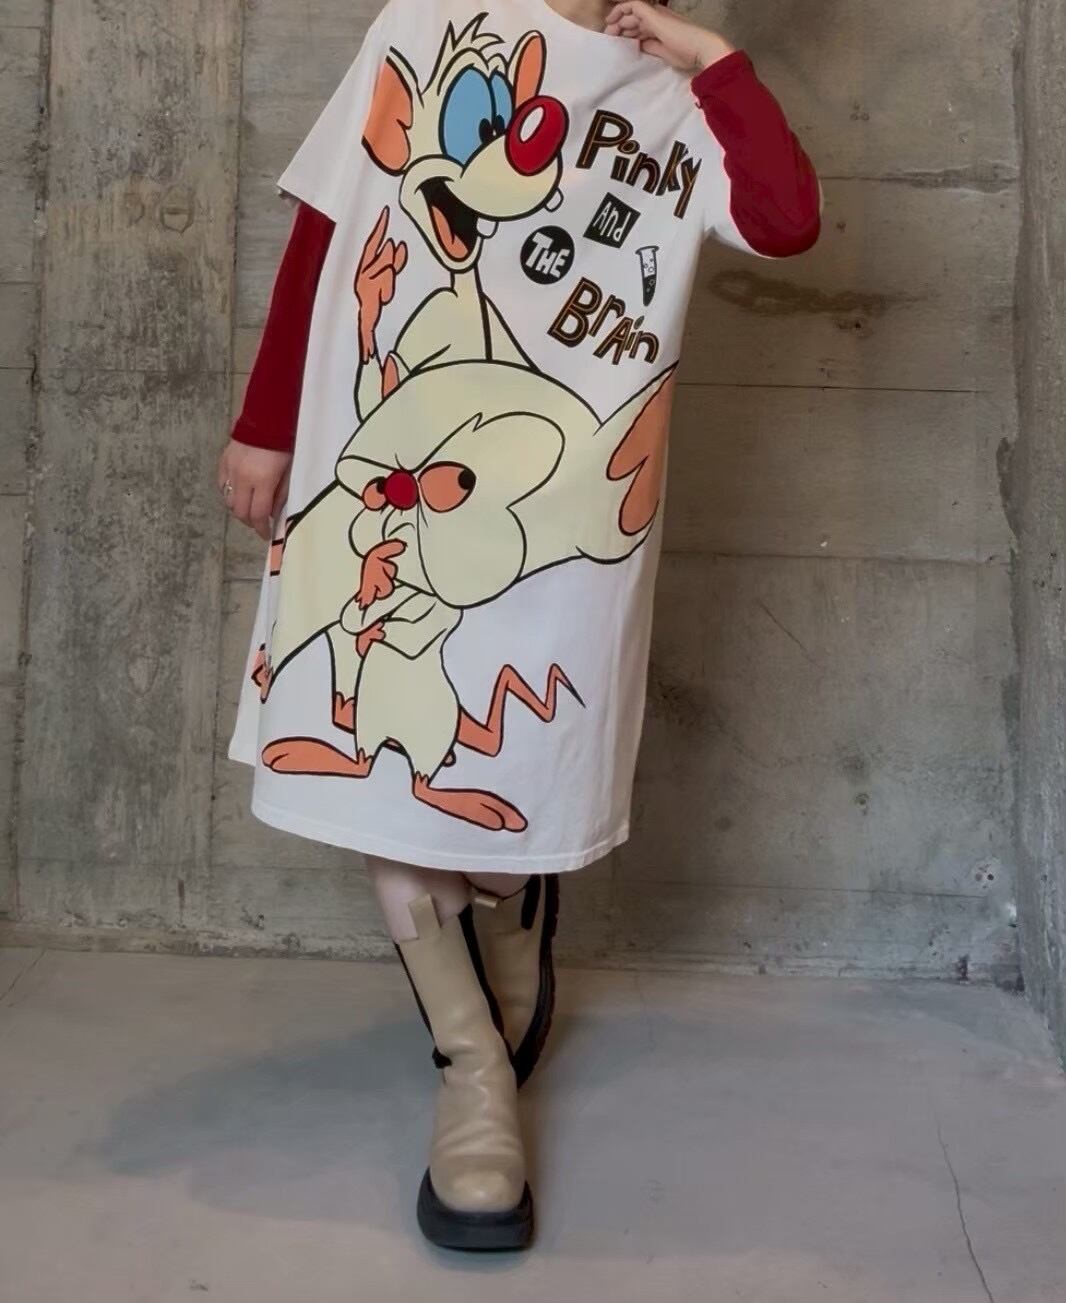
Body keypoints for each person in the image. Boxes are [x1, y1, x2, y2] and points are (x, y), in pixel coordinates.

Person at [219, 0, 820, 1252]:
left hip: (548, 511)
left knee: (509, 773)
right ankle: (472, 1067)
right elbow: (325, 226)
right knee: (377, 745)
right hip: (380, 464)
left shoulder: (678, 96)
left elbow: (783, 218)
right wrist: (267, 422)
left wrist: (712, 62)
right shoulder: (426, 21)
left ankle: (510, 921)